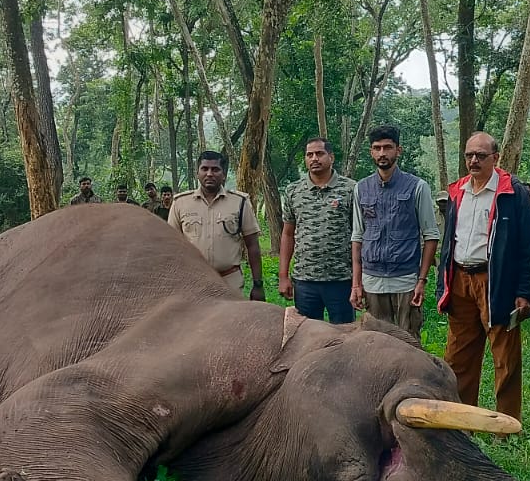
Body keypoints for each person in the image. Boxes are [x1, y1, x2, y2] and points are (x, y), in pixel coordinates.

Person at [437, 132, 530, 422]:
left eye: (481, 155)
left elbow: (527, 244)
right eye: (469, 155)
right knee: (458, 355)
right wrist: (444, 281)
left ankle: (506, 421)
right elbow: (449, 240)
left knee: (504, 356)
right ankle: (461, 417)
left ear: (496, 158)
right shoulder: (458, 191)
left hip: (496, 281)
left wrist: (524, 291)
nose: (474, 160)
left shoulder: (512, 192)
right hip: (460, 281)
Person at [351, 127, 440, 338]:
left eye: (387, 147)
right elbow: (357, 237)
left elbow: (431, 235)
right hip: (372, 280)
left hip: (406, 279)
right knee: (374, 341)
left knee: (407, 341)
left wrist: (421, 281)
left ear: (398, 150)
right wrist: (356, 284)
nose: (382, 153)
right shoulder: (361, 188)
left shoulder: (417, 187)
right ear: (371, 152)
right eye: (377, 148)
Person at [279, 138, 358, 324]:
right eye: (309, 155)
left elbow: (359, 236)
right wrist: (283, 276)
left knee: (343, 335)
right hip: (305, 280)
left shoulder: (351, 189)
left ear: (331, 157)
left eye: (319, 154)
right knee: (306, 337)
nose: (314, 158)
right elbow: (287, 234)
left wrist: (358, 280)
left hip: (340, 279)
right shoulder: (294, 191)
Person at [168, 152, 265, 301]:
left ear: (224, 174)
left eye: (215, 169)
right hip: (193, 283)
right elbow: (171, 247)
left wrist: (258, 284)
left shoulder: (239, 202)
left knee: (231, 323)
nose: (209, 174)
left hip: (229, 281)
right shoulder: (180, 203)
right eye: (204, 169)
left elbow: (252, 245)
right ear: (197, 173)